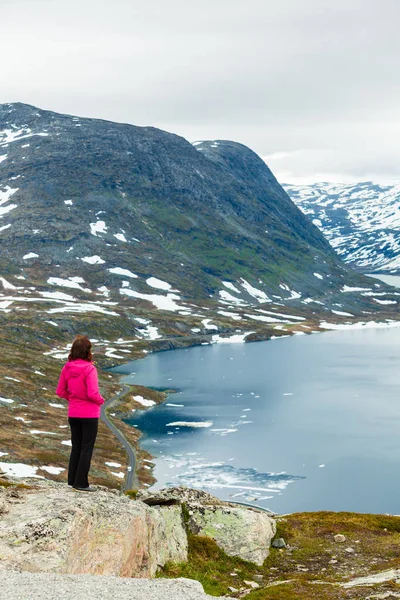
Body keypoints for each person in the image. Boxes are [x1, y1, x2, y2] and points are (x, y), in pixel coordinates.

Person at [56, 335, 105, 492]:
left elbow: (60, 391)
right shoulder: (90, 369)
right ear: (87, 351)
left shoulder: (67, 367)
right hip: (89, 415)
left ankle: (72, 480)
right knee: (87, 448)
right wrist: (100, 400)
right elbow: (92, 393)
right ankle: (81, 483)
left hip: (74, 414)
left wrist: (73, 399)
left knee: (76, 447)